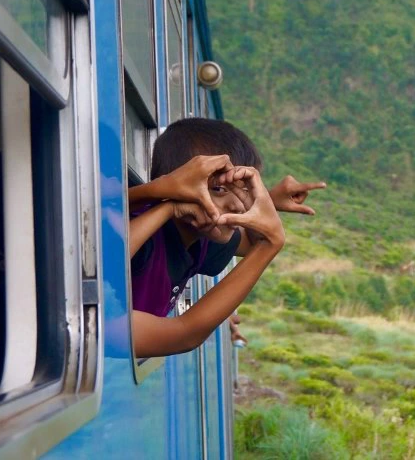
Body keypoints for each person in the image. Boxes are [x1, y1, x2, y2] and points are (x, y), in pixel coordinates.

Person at [127, 118, 325, 357]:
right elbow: (184, 334)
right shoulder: (143, 242)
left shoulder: (199, 240)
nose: (238, 205)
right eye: (219, 189)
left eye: (244, 190)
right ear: (176, 186)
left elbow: (251, 240)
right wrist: (271, 244)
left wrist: (267, 200)